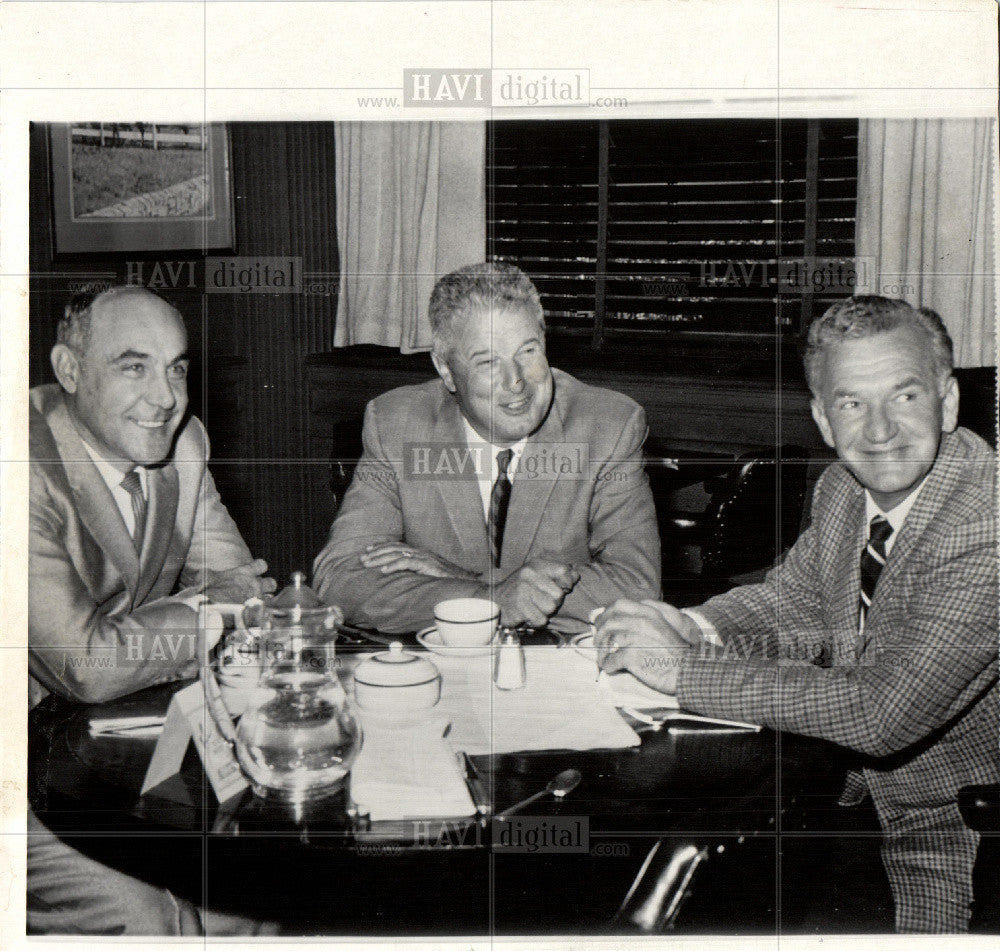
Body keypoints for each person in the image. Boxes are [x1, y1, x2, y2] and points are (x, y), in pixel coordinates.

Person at [595, 296, 997, 933]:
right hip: (839, 793)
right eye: (852, 403)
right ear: (822, 418)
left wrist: (683, 669)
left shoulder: (986, 521)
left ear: (948, 402)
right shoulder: (845, 486)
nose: (880, 430)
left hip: (952, 825)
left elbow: (881, 711)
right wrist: (692, 625)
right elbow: (796, 599)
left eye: (906, 396)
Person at [28, 285, 277, 935]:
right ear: (69, 370)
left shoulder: (183, 443)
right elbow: (84, 662)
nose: (165, 397)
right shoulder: (16, 461)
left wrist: (194, 611)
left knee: (254, 892)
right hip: (16, 768)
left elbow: (245, 591)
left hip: (125, 739)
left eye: (177, 367)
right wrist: (201, 611)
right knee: (153, 917)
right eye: (134, 366)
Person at [314, 262, 660, 632]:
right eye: (488, 361)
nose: (516, 382)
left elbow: (636, 589)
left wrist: (471, 579)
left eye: (527, 351)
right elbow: (341, 580)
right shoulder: (396, 424)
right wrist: (491, 599)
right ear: (446, 370)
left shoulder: (608, 427)